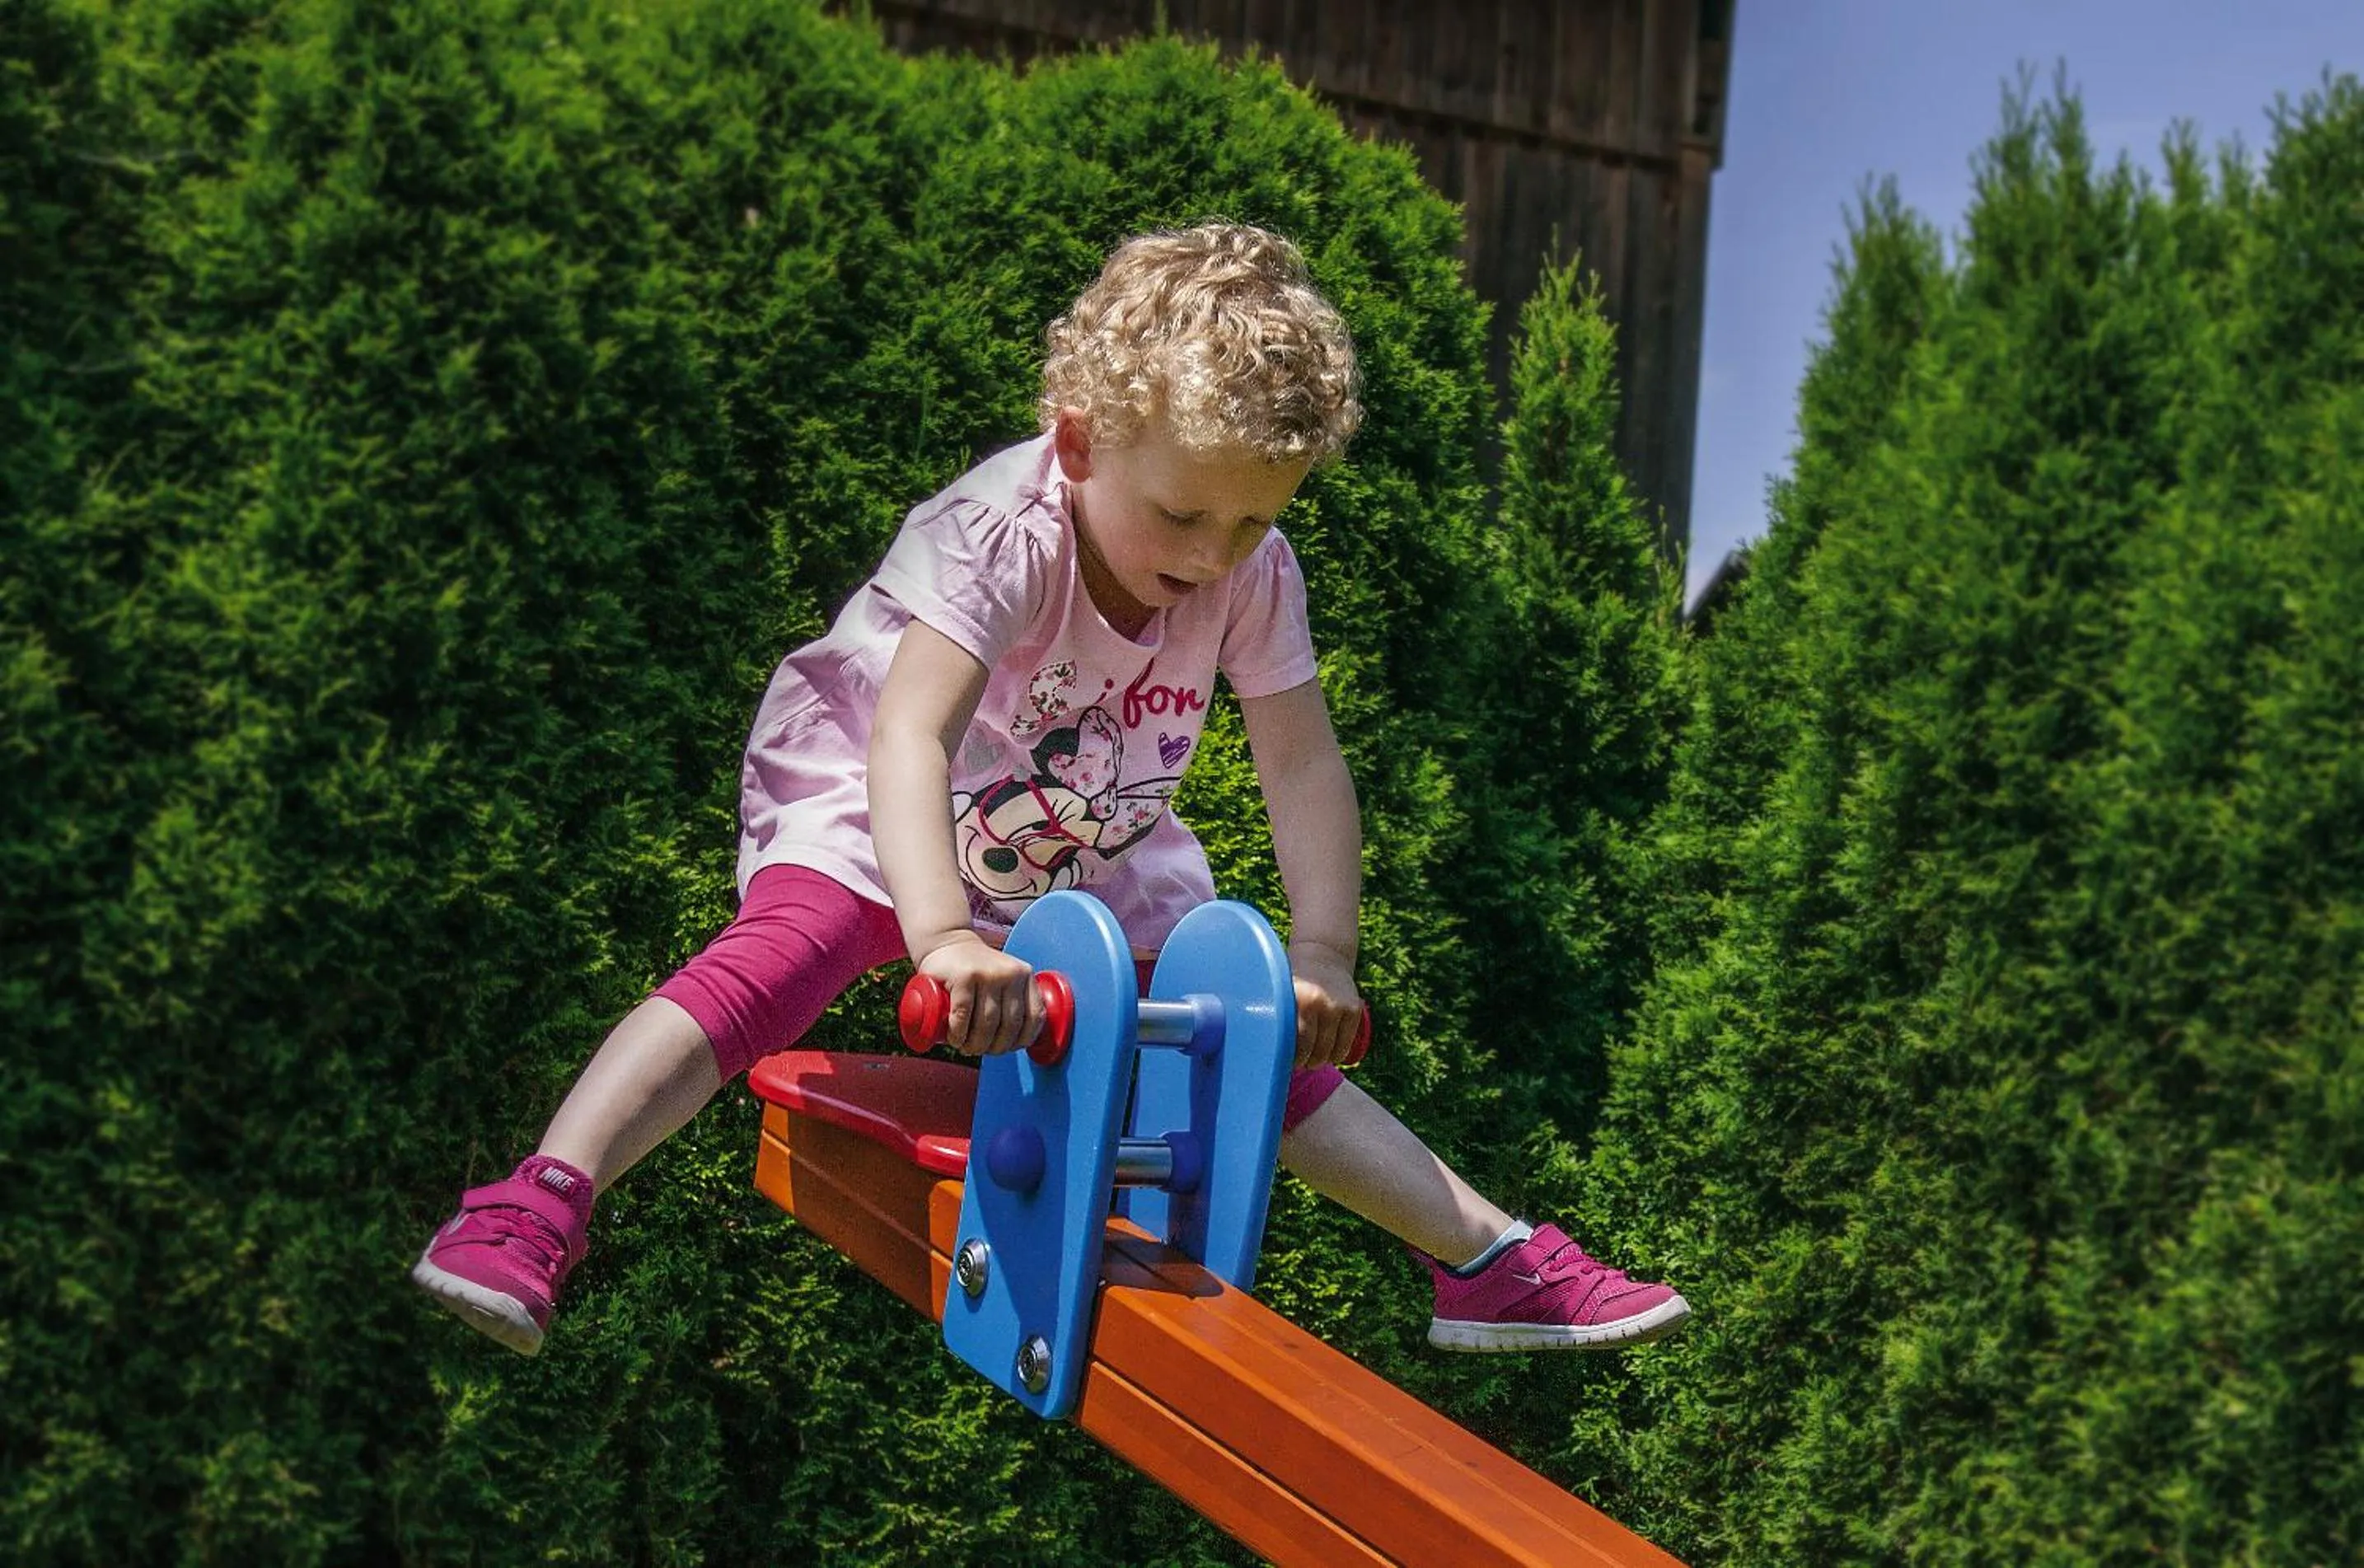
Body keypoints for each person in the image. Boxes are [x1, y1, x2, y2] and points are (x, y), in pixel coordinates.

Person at [411, 222, 1689, 1360]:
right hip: (887, 806)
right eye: (1186, 515)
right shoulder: (1001, 536)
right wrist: (943, 938)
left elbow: (1302, 760)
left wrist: (1325, 950)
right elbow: (911, 735)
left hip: (1075, 833)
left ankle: (1480, 1258)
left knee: (1240, 1024)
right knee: (777, 956)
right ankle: (542, 1193)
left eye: (1251, 524)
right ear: (1080, 442)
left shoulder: (1250, 570)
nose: (1212, 559)